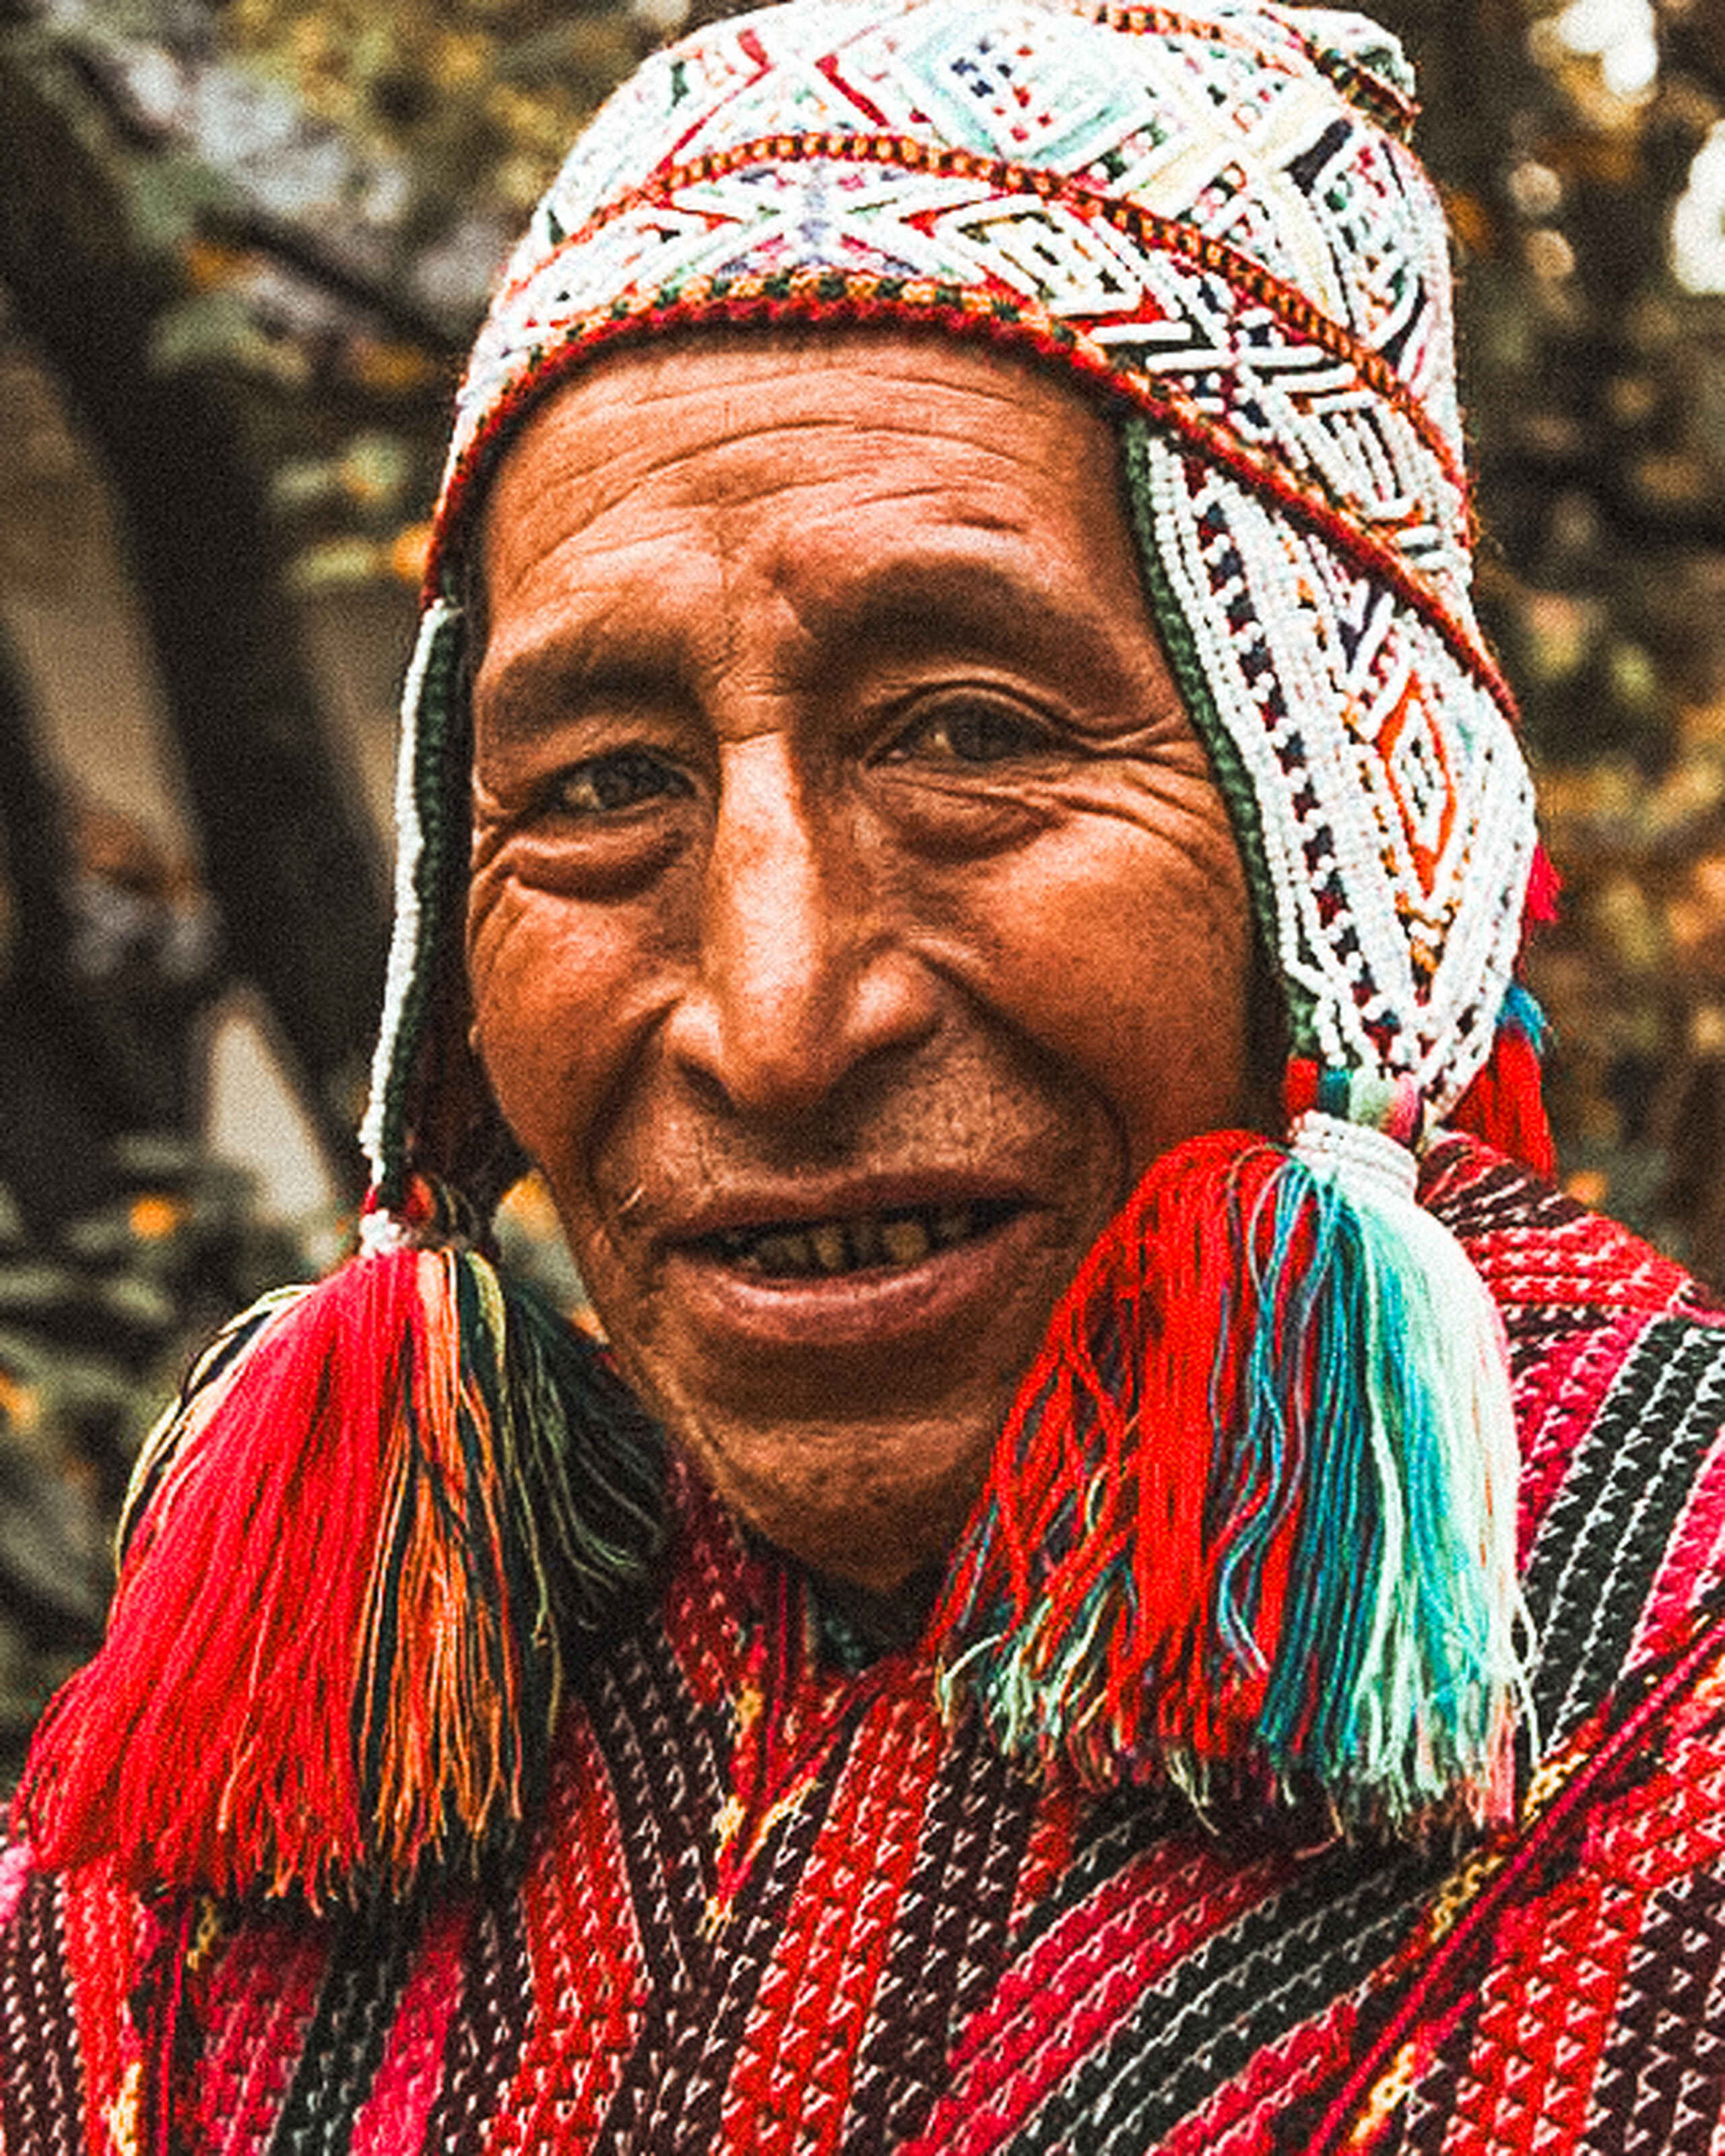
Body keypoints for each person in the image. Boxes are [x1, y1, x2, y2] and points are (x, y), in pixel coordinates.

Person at [5, 1, 1725, 2147]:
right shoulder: (287, 1813)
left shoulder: (1675, 1738)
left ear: (1359, 849)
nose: (775, 1019)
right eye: (605, 786)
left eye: (970, 736)